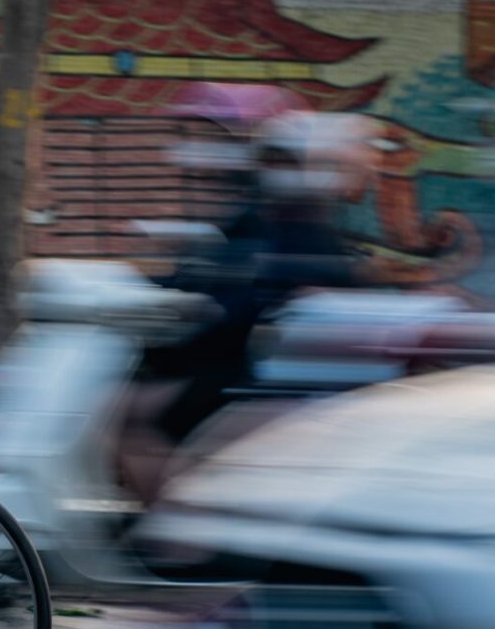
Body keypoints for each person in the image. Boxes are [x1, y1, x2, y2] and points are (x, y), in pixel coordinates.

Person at [121, 102, 369, 502]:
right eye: (272, 160)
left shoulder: (310, 238)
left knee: (134, 422)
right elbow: (212, 267)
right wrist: (147, 282)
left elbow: (245, 295)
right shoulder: (264, 219)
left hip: (253, 376)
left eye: (286, 161)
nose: (277, 171)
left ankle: (178, 534)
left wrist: (201, 300)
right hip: (226, 360)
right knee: (121, 405)